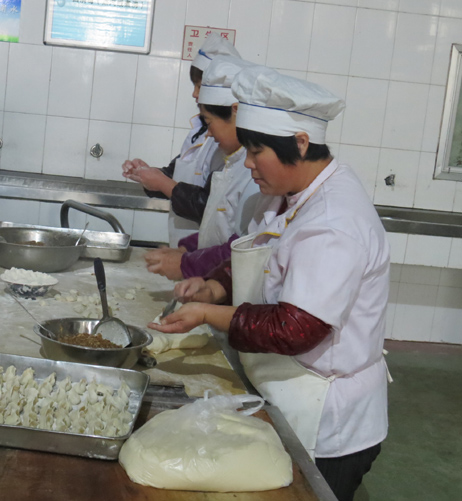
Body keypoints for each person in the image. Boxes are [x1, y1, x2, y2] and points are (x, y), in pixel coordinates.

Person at [150, 66, 389, 501]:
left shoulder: (334, 222)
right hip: (283, 389)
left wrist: (207, 314)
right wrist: (214, 286)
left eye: (257, 151)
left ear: (301, 143)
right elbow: (257, 251)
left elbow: (296, 328)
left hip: (326, 419)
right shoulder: (284, 195)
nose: (248, 163)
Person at [143, 55, 260, 281]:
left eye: (209, 122)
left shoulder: (254, 174)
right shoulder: (233, 162)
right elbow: (219, 228)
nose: (208, 133)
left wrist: (187, 263)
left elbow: (243, 246)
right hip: (212, 283)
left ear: (236, 112)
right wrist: (186, 249)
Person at [122, 35, 241, 247]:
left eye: (200, 86)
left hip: (208, 250)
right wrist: (149, 174)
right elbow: (177, 172)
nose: (194, 94)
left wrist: (163, 183)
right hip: (187, 248)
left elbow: (210, 205)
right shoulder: (201, 132)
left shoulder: (233, 146)